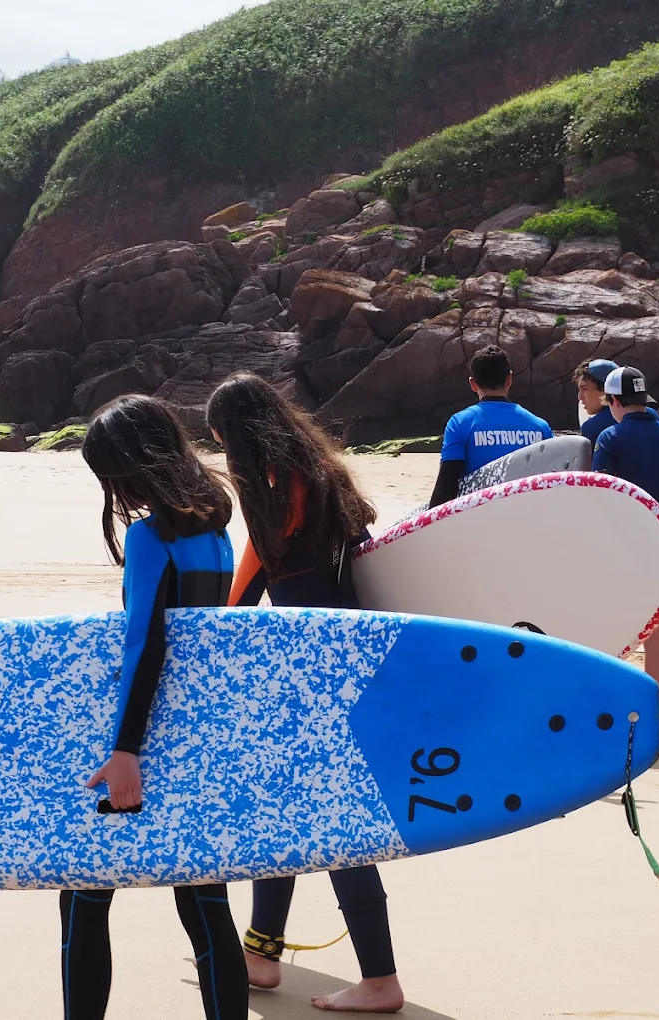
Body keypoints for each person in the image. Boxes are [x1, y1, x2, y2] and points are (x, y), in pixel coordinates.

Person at [207, 372, 405, 1015]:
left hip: (312, 675)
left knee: (329, 822)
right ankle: (261, 954)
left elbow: (241, 593)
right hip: (343, 658)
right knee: (287, 813)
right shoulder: (320, 471)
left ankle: (380, 979)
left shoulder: (280, 491)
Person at [69, 394, 247, 1020]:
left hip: (145, 740)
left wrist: (124, 752)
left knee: (84, 896)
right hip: (198, 739)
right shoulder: (218, 530)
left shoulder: (152, 537)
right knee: (205, 905)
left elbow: (147, 647)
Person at [592, 366, 659, 713]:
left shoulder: (610, 438)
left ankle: (628, 698)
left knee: (616, 619)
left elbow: (600, 495)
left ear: (613, 401)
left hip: (625, 543)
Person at [428, 344, 553, 507]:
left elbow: (447, 485)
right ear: (509, 379)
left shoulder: (459, 423)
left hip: (480, 519)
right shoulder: (540, 427)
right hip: (528, 516)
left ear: (473, 384)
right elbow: (552, 481)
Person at [575, 359, 619, 446]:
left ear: (605, 389)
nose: (580, 397)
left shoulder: (592, 428)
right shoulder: (650, 414)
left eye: (585, 389)